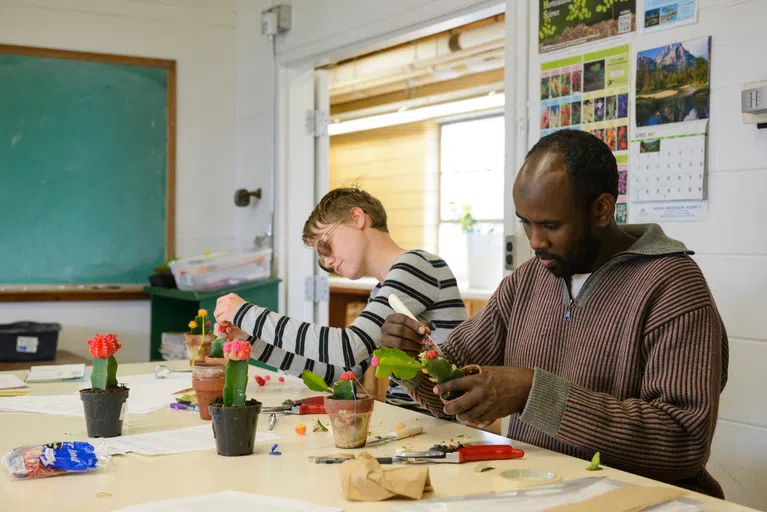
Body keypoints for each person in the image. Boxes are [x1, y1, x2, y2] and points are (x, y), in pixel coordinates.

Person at [379, 129, 728, 498]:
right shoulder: (530, 277)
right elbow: (450, 391)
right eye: (525, 223)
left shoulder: (673, 286)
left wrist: (534, 392)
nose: (534, 241)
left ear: (601, 209)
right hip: (536, 490)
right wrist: (411, 359)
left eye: (550, 225)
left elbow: (682, 441)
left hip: (637, 500)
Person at [214, 187, 468, 409]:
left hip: (436, 423)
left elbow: (348, 347)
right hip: (409, 420)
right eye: (321, 261)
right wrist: (253, 341)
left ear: (357, 218)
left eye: (325, 246)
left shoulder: (418, 265)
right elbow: (344, 374)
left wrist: (247, 313)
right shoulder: (382, 290)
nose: (327, 261)